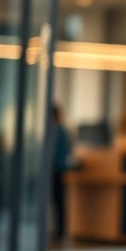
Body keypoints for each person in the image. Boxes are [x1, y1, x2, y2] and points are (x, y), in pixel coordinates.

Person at [50, 104, 71, 243]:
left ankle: (61, 231)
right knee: (55, 202)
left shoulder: (60, 132)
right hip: (54, 170)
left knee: (59, 202)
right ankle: (56, 230)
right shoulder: (56, 131)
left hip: (58, 171)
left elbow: (62, 153)